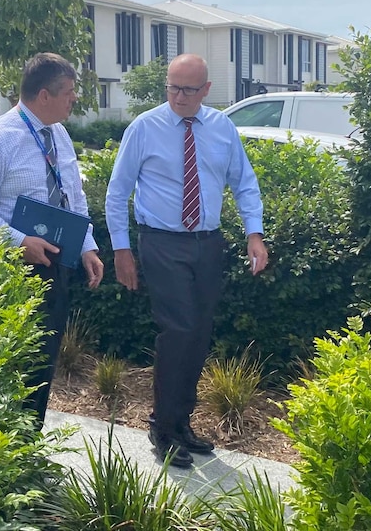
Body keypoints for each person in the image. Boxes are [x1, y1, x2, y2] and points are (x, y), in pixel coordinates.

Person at [105, 53, 269, 468]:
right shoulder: (145, 127)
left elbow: (244, 183)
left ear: (207, 90)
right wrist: (121, 250)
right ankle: (162, 427)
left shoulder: (221, 129)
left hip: (207, 243)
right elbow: (116, 192)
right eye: (172, 87)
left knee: (198, 332)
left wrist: (254, 234)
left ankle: (181, 422)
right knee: (177, 330)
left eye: (188, 89)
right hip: (161, 241)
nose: (178, 96)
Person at [0, 52, 104, 427]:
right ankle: (7, 458)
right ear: (44, 95)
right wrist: (18, 241)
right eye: (69, 92)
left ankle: (29, 448)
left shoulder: (59, 133)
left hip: (55, 267)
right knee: (15, 368)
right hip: (13, 272)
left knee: (43, 364)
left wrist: (87, 245)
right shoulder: (1, 137)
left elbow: (74, 196)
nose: (74, 99)